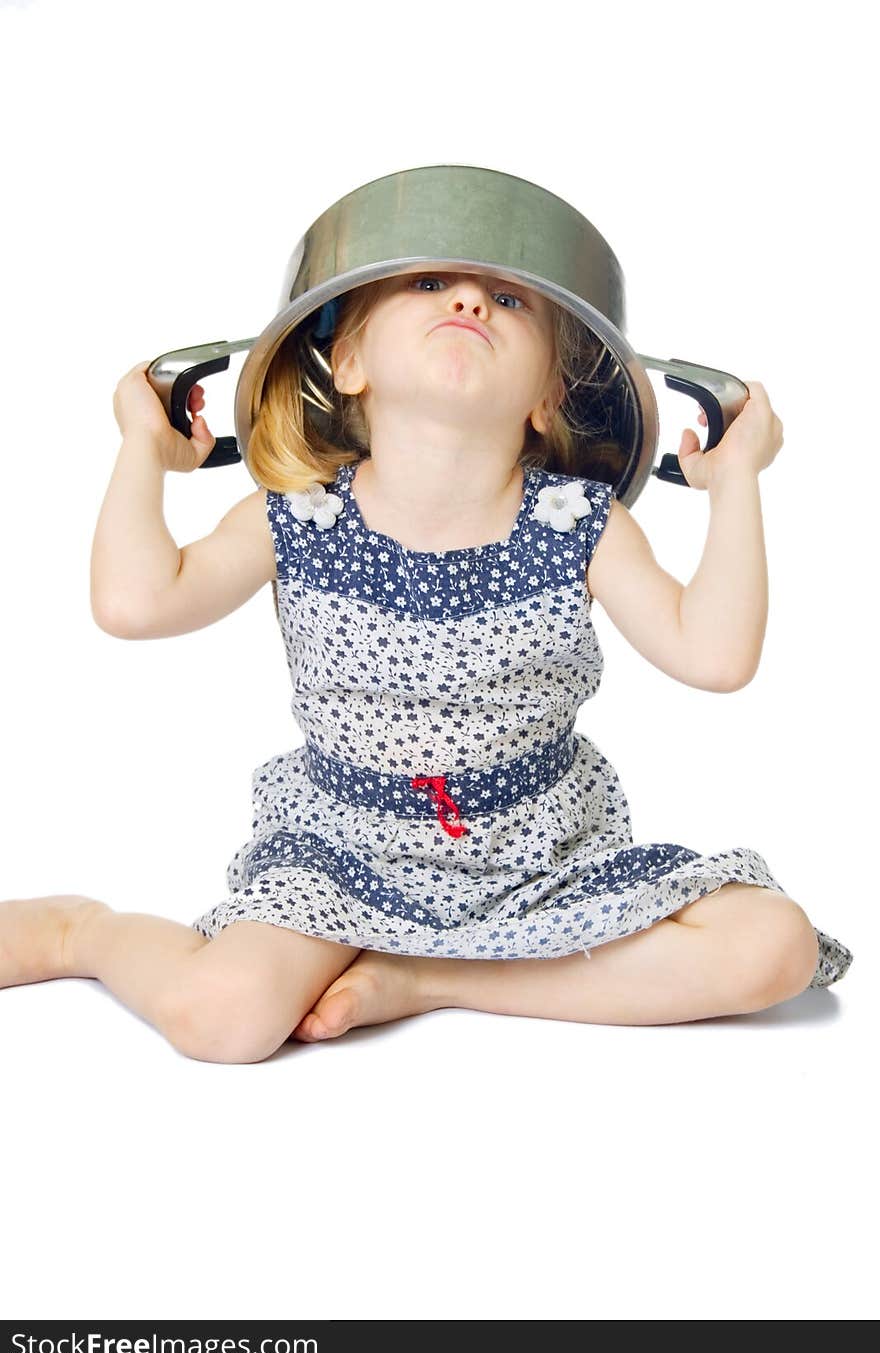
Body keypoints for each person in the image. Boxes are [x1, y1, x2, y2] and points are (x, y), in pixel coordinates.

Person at [0, 268, 853, 1062]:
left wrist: (737, 477)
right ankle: (82, 932)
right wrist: (141, 449)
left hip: (538, 861)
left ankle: (426, 977)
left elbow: (715, 656)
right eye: (432, 284)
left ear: (547, 399)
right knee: (221, 1015)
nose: (472, 305)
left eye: (511, 302)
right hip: (344, 856)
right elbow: (134, 602)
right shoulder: (298, 516)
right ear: (350, 360)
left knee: (771, 946)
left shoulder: (578, 524)